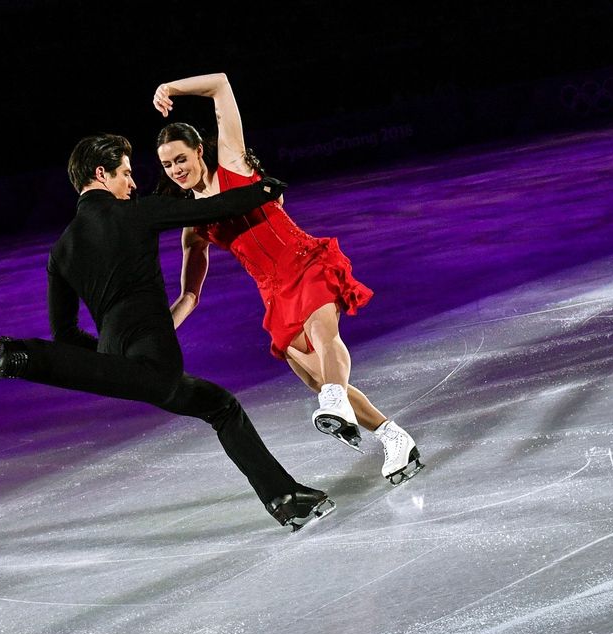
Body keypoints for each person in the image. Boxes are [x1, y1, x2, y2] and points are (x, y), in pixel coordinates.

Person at [0, 133, 333, 531]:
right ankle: (23, 356)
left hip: (119, 361)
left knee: (221, 406)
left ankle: (284, 497)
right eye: (125, 174)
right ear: (101, 174)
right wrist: (263, 189)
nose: (133, 183)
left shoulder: (61, 250)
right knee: (218, 406)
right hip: (155, 359)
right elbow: (213, 207)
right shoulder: (135, 213)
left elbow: (67, 333)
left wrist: (112, 358)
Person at [151, 72, 424, 486]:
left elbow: (221, 85)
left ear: (200, 151)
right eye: (167, 165)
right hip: (273, 293)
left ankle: (336, 403)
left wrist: (171, 88)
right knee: (320, 379)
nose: (176, 170)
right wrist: (159, 332)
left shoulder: (231, 162)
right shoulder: (193, 225)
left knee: (324, 335)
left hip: (303, 260)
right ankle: (394, 437)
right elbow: (189, 294)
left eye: (181, 159)